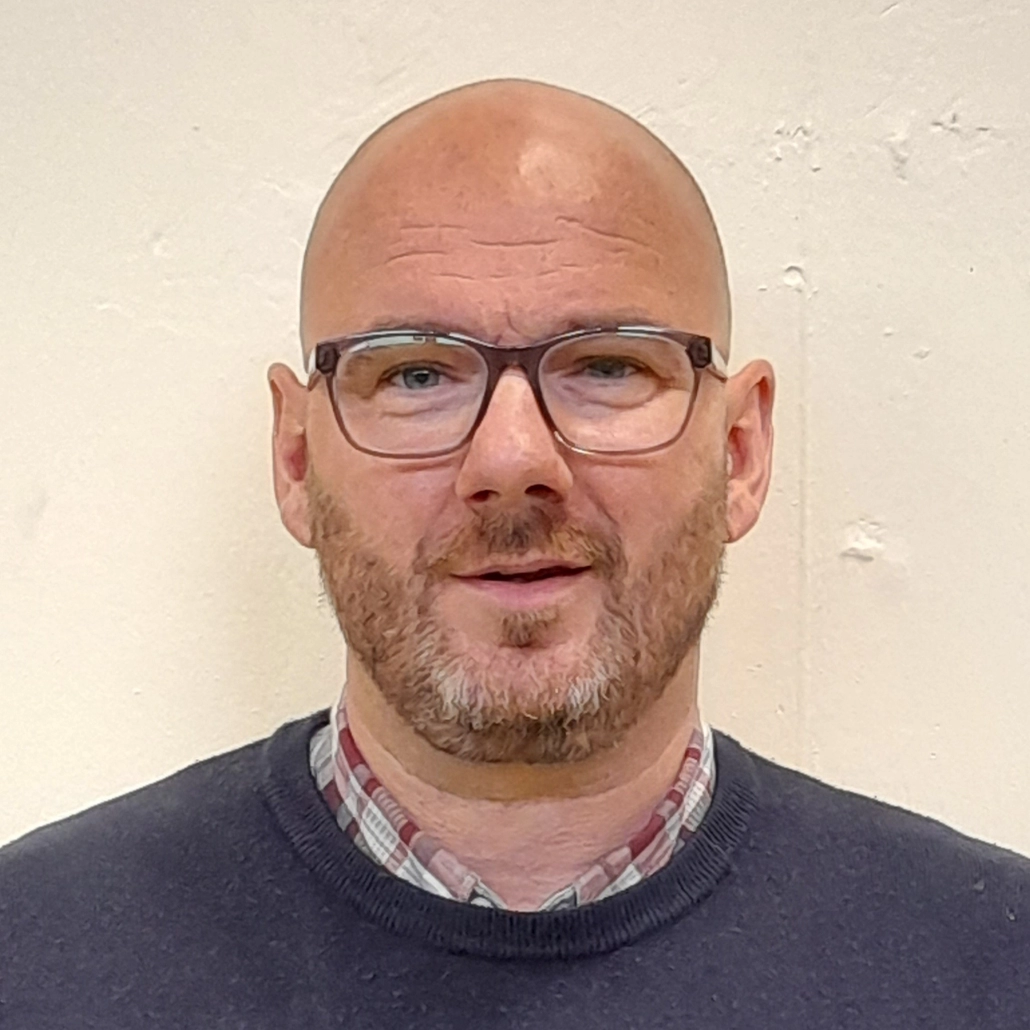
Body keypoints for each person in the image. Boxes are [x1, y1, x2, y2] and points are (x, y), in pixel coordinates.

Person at [1, 78, 1027, 1028]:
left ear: (741, 453)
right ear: (297, 455)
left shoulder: (991, 970)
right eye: (413, 374)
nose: (511, 458)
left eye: (608, 366)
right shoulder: (32, 958)